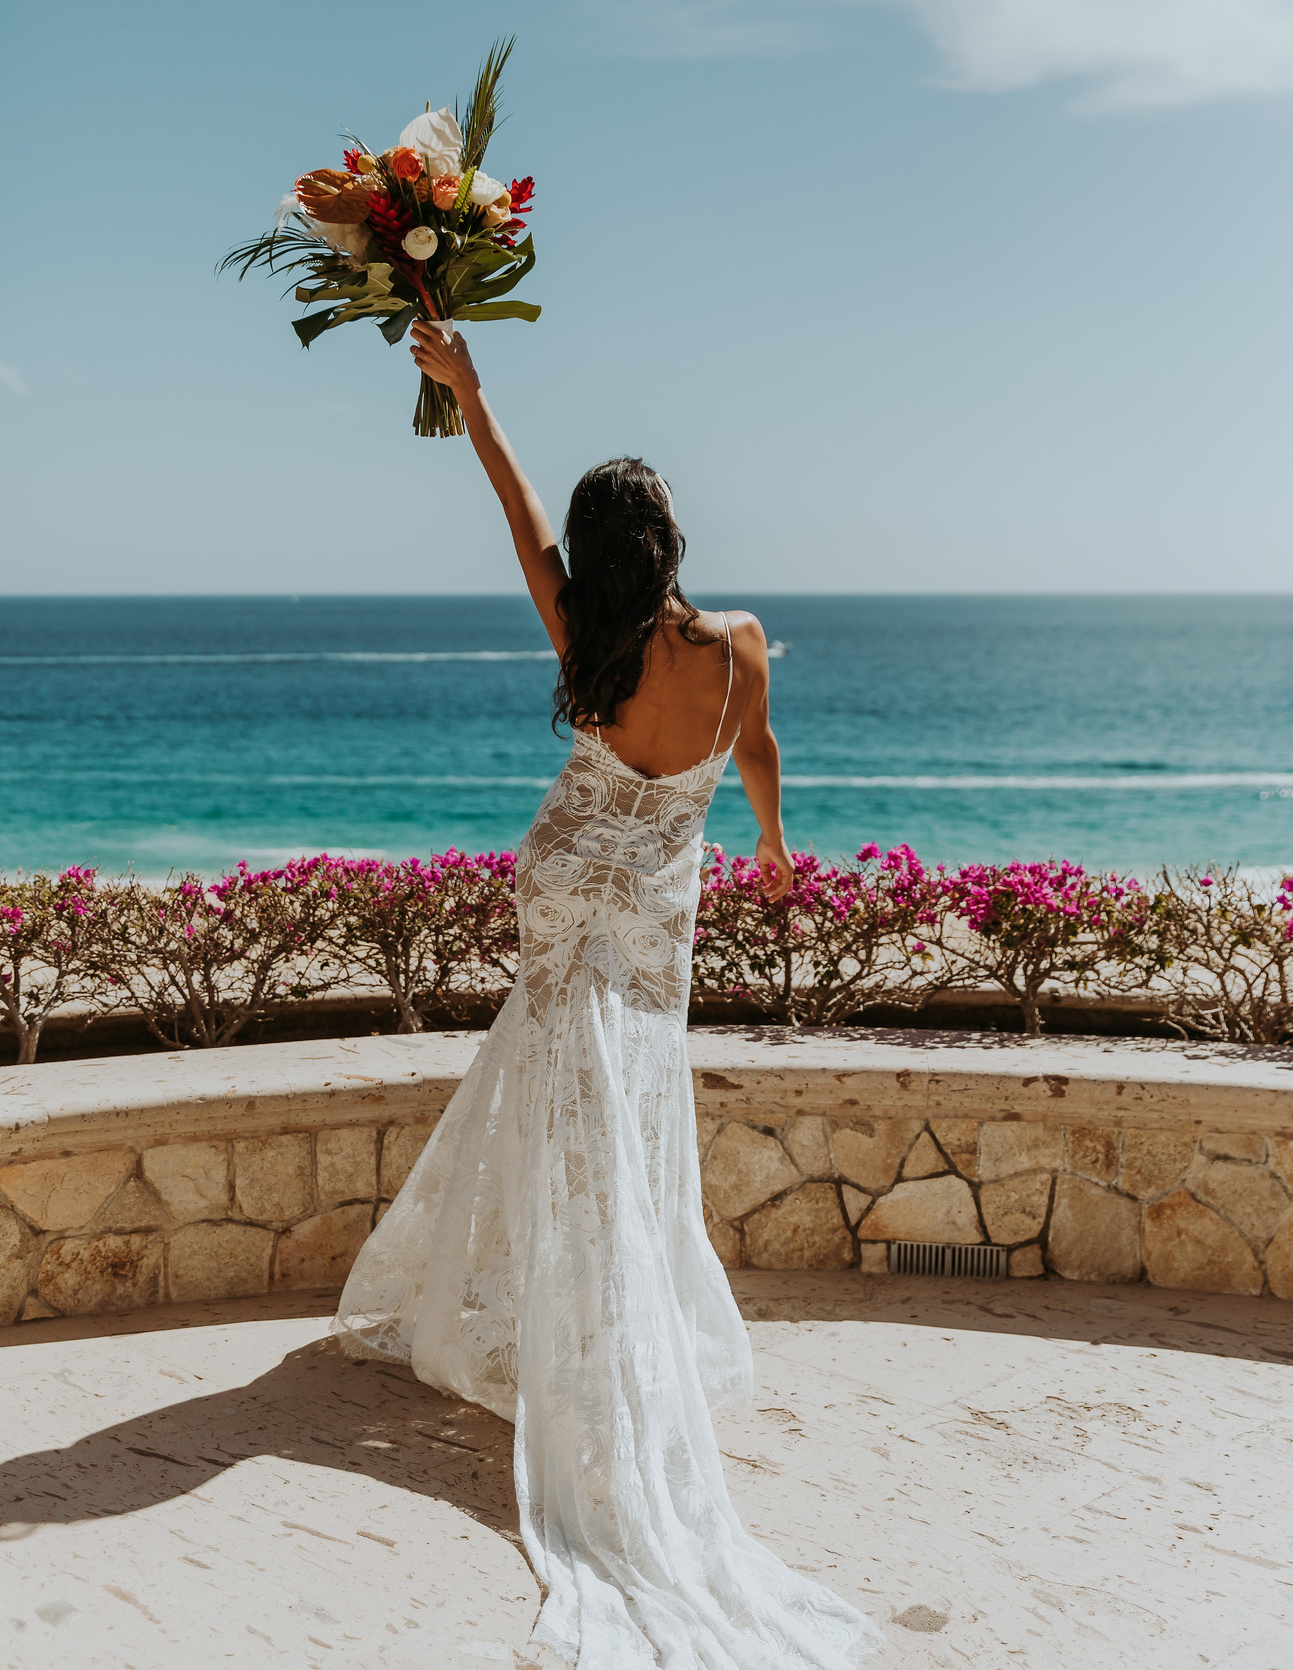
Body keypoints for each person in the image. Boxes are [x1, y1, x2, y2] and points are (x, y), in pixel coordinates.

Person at [335, 322, 880, 1668]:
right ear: (674, 543)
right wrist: (768, 843)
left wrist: (470, 390)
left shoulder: (583, 628)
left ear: (598, 557)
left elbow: (512, 509)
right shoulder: (739, 645)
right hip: (650, 910)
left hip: (565, 881)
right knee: (624, 1104)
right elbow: (759, 749)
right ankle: (589, 1315)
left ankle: (554, 1311)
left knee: (553, 1085)